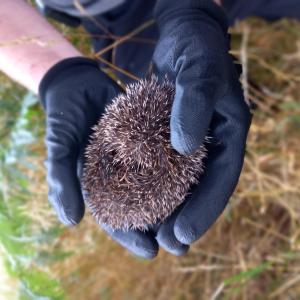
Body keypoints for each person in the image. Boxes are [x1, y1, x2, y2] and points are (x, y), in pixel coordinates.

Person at [0, 0, 298, 259]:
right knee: (195, 93)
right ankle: (247, 90)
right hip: (116, 19)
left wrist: (192, 8)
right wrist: (55, 70)